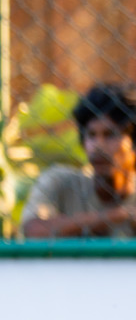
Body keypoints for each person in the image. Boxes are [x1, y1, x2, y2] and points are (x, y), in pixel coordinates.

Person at [21, 83, 136, 239]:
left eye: (110, 135)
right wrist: (118, 216)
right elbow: (34, 230)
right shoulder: (61, 182)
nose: (98, 146)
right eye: (91, 135)